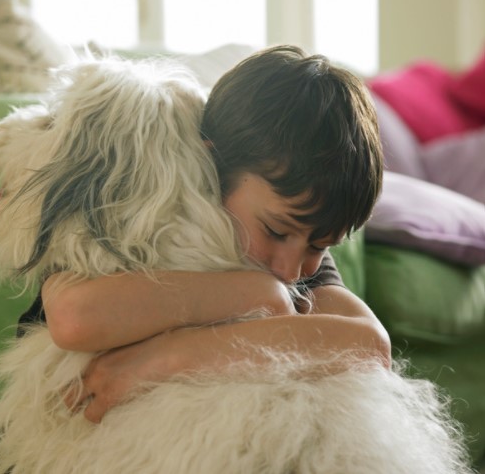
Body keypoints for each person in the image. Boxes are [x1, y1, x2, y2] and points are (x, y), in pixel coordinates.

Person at [20, 45, 391, 423]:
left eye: (320, 245)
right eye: (276, 231)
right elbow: (75, 319)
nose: (292, 271)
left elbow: (370, 346)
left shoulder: (292, 244)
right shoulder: (137, 212)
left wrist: (164, 359)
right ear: (210, 166)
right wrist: (258, 294)